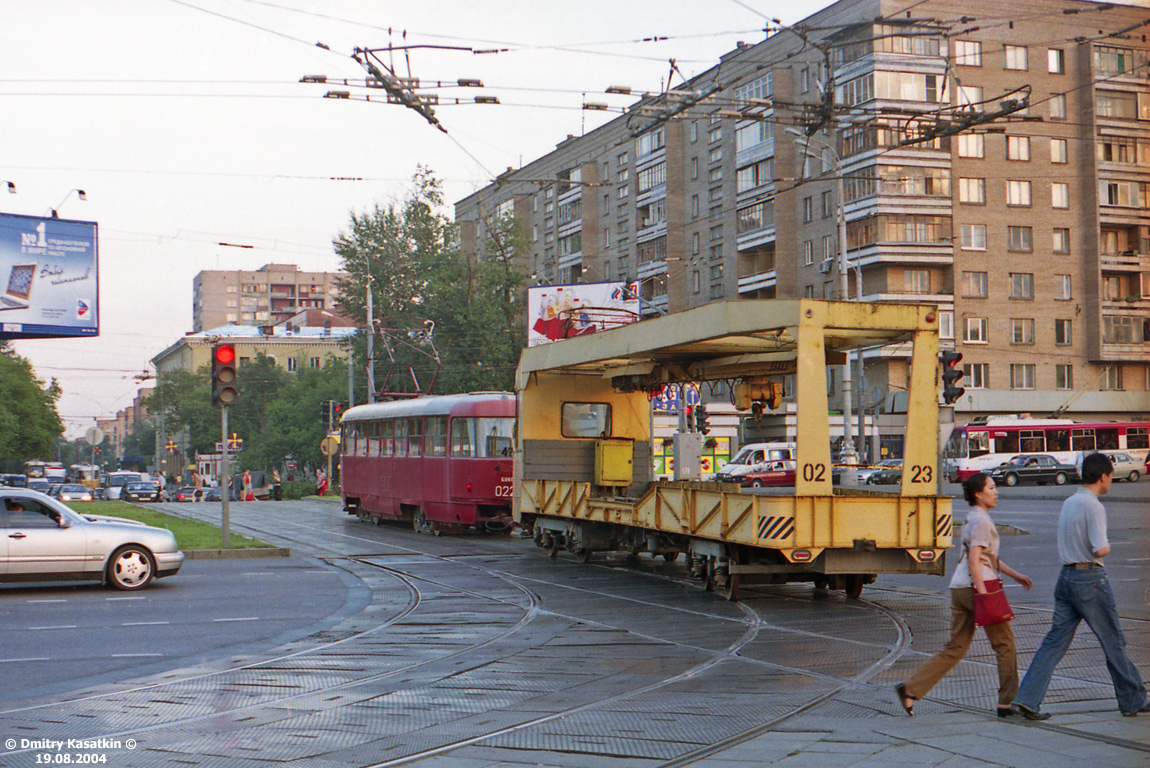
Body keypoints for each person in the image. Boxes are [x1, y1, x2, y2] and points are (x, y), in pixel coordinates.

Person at [1011, 453, 1150, 720]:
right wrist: (1109, 547)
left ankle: (1026, 699)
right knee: (1113, 640)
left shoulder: (1069, 501)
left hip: (1065, 579)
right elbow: (1100, 548)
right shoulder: (1094, 506)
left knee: (1054, 643)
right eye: (1110, 477)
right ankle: (1133, 700)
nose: (1110, 481)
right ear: (1103, 477)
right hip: (1090, 580)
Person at [895, 472, 1034, 717]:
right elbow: (974, 562)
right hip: (977, 588)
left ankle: (910, 689)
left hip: (959, 588)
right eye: (991, 488)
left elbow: (987, 558)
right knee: (1005, 645)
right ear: (979, 494)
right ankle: (1007, 702)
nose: (996, 491)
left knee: (956, 647)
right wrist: (984, 595)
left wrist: (1015, 575)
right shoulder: (982, 522)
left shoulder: (972, 518)